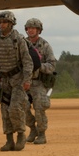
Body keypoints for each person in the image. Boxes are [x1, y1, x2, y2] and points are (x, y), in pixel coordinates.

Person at [0, 11, 33, 151]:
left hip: (18, 80)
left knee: (15, 108)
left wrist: (27, 80)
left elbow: (27, 61)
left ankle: (21, 135)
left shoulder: (18, 39)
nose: (1, 25)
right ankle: (9, 140)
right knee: (5, 111)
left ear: (11, 23)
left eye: (4, 22)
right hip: (3, 81)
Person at [23, 17, 57, 145]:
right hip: (24, 81)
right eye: (29, 28)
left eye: (34, 28)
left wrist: (39, 66)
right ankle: (33, 129)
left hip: (38, 82)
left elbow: (52, 65)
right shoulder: (22, 44)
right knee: (22, 106)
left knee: (39, 107)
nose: (31, 30)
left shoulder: (45, 45)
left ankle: (42, 133)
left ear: (39, 30)